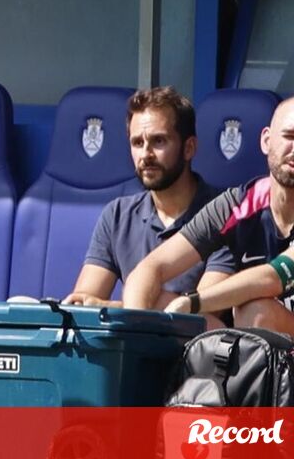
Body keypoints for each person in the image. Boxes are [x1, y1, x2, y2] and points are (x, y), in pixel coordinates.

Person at [62, 87, 233, 325]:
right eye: (137, 142)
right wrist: (120, 306)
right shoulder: (117, 215)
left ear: (189, 148)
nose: (146, 154)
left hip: (197, 346)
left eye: (158, 141)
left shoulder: (225, 214)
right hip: (132, 344)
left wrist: (120, 307)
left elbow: (205, 316)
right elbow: (84, 304)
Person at [124, 97, 294, 334]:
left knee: (254, 310)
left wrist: (192, 302)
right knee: (154, 297)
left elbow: (272, 277)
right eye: (289, 136)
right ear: (266, 141)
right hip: (271, 344)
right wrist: (133, 330)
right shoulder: (238, 204)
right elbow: (152, 267)